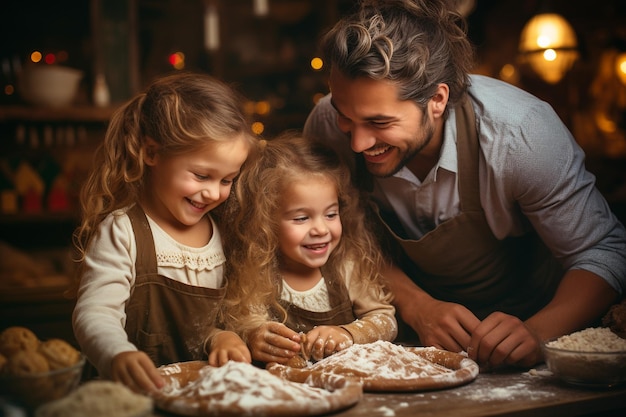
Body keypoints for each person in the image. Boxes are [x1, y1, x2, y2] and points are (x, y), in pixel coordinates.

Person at [303, 0, 626, 369]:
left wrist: (538, 333)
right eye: (346, 117)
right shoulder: (326, 127)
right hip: (406, 338)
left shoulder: (519, 133)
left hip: (535, 326)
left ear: (437, 100)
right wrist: (416, 304)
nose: (357, 144)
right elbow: (343, 238)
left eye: (379, 122)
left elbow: (603, 252)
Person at [72, 71, 256, 393]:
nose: (214, 193)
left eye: (227, 180)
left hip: (197, 398)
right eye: (201, 176)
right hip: (127, 400)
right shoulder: (123, 232)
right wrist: (117, 354)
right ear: (152, 153)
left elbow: (207, 326)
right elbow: (95, 312)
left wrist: (222, 337)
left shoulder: (224, 235)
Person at [216, 132, 397, 365]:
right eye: (301, 218)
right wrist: (255, 337)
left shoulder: (346, 263)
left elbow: (385, 321)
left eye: (331, 214)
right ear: (265, 222)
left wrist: (348, 334)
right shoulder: (256, 272)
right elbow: (245, 326)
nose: (321, 229)